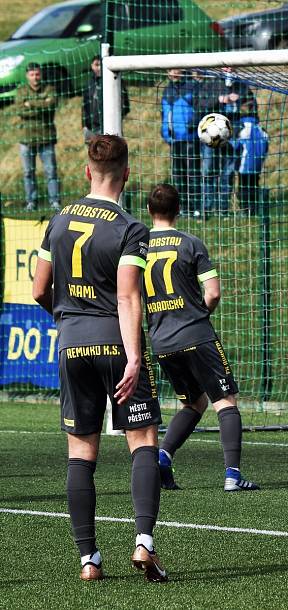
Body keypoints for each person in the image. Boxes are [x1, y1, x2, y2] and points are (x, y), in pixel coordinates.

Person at [31, 135, 166, 582]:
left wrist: (69, 321)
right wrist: (132, 357)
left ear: (87, 171)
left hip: (71, 345)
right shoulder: (130, 228)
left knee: (81, 451)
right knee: (143, 439)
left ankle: (89, 558)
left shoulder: (58, 220)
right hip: (115, 343)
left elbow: (37, 289)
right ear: (126, 175)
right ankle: (144, 544)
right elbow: (128, 299)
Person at [144, 184, 259, 493]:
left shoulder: (137, 248)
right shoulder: (190, 243)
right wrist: (199, 315)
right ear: (178, 209)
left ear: (149, 211)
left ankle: (163, 457)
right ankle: (233, 475)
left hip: (161, 341)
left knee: (193, 402)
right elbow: (214, 292)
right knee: (225, 400)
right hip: (195, 333)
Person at [195, 68, 258, 215]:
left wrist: (241, 102)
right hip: (211, 137)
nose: (228, 70)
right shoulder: (211, 83)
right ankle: (206, 209)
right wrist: (219, 100)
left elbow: (252, 108)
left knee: (228, 173)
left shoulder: (242, 86)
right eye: (225, 67)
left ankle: (223, 209)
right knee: (208, 171)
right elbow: (199, 105)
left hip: (233, 136)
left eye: (231, 68)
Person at [16, 62, 60, 211]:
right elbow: (20, 111)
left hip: (46, 138)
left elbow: (51, 106)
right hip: (26, 139)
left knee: (51, 172)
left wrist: (30, 104)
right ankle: (31, 201)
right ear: (27, 76)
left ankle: (54, 201)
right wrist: (41, 104)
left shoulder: (50, 88)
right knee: (28, 172)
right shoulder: (21, 90)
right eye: (32, 75)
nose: (35, 77)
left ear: (41, 74)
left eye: (37, 74)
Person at [161, 69, 199, 206]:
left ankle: (196, 207)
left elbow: (199, 110)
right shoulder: (166, 90)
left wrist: (191, 126)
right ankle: (181, 207)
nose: (174, 73)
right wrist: (165, 133)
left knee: (192, 174)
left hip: (189, 138)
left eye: (177, 70)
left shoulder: (192, 86)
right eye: (171, 70)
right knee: (178, 176)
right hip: (174, 139)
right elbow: (164, 115)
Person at [82, 55, 130, 143]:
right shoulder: (89, 84)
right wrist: (84, 125)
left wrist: (115, 120)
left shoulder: (116, 81)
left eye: (101, 65)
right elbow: (84, 107)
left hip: (110, 128)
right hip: (92, 129)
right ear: (91, 66)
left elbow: (125, 105)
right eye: (96, 65)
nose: (99, 68)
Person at [234, 115, 269, 216]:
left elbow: (237, 146)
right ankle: (254, 210)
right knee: (254, 186)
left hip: (245, 165)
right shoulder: (261, 128)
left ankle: (245, 210)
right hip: (257, 165)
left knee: (244, 187)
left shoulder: (243, 128)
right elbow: (266, 146)